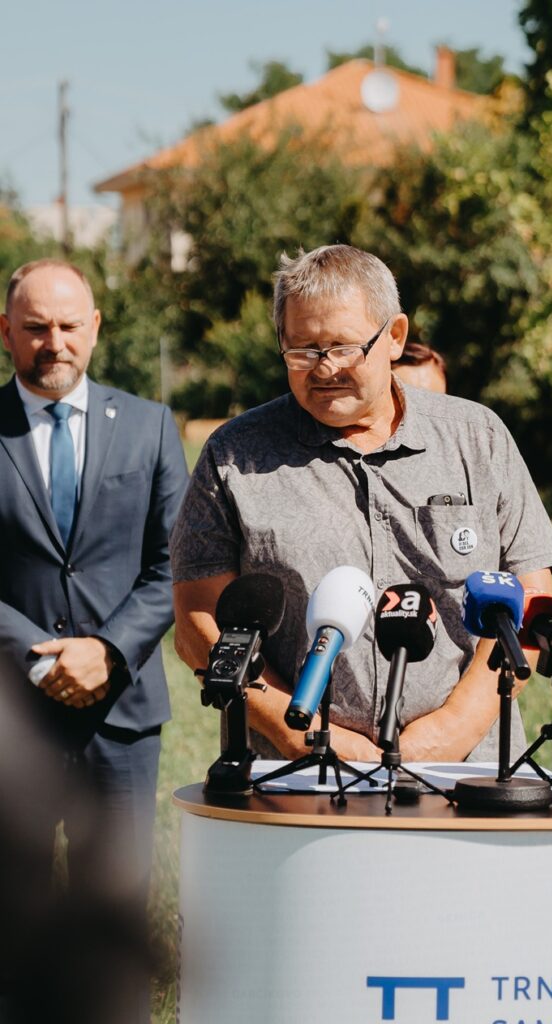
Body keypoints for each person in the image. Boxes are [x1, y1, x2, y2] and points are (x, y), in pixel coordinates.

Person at [171, 244, 552, 763]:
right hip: (293, 775)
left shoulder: (478, 437)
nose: (324, 368)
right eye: (303, 350)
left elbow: (531, 600)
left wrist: (454, 728)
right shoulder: (232, 457)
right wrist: (296, 731)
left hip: (465, 772)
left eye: (342, 346)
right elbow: (199, 626)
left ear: (394, 337)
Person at [0, 259, 188, 1018]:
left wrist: (106, 652)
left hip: (122, 713)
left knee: (116, 911)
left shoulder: (149, 426)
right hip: (13, 717)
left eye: (69, 325)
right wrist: (35, 657)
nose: (54, 342)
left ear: (96, 328)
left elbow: (175, 559)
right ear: (5, 330)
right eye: (36, 326)